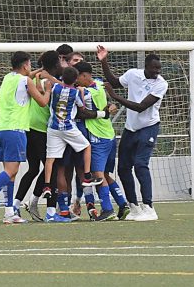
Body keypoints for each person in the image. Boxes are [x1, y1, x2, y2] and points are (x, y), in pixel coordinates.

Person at [0, 51, 50, 224]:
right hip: (15, 130)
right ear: (25, 65)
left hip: (1, 129)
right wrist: (47, 89)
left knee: (11, 173)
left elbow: (27, 76)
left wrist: (38, 71)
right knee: (11, 171)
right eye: (30, 65)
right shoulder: (26, 81)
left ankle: (10, 211)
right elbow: (42, 101)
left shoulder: (8, 78)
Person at [97, 45, 168, 221]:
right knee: (123, 168)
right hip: (131, 128)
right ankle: (134, 208)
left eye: (159, 69)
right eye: (154, 68)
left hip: (149, 127)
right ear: (146, 66)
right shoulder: (133, 74)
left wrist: (115, 97)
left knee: (140, 164)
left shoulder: (161, 84)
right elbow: (114, 82)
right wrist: (104, 60)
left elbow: (140, 107)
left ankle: (149, 208)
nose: (157, 72)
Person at [42, 66, 104, 222]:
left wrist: (45, 76)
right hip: (70, 127)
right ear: (76, 79)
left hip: (53, 128)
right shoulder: (76, 92)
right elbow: (82, 107)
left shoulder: (55, 87)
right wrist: (82, 94)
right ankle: (88, 177)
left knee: (51, 159)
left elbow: (52, 83)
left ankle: (47, 185)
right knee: (86, 149)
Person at [12, 50, 62, 222]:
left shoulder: (33, 76)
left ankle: (16, 205)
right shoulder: (51, 81)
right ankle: (47, 210)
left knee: (34, 168)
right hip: (41, 129)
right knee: (52, 168)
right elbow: (56, 91)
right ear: (57, 63)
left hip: (28, 127)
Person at [75, 61, 125, 221]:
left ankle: (108, 209)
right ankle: (123, 205)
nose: (76, 81)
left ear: (84, 75)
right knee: (105, 174)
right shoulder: (99, 84)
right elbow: (107, 101)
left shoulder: (86, 92)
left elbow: (83, 113)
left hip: (98, 138)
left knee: (97, 174)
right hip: (110, 135)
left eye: (78, 77)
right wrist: (110, 106)